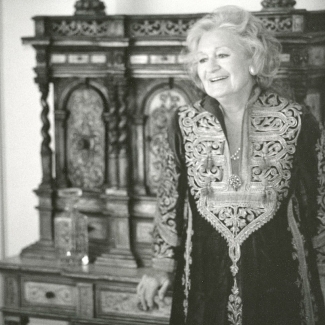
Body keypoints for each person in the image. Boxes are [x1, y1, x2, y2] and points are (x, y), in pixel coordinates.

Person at [137, 5, 325, 325]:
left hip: (281, 288)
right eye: (202, 59)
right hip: (204, 281)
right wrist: (159, 267)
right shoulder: (183, 123)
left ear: (253, 60)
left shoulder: (296, 121)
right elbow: (170, 202)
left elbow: (318, 205)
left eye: (222, 55)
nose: (210, 67)